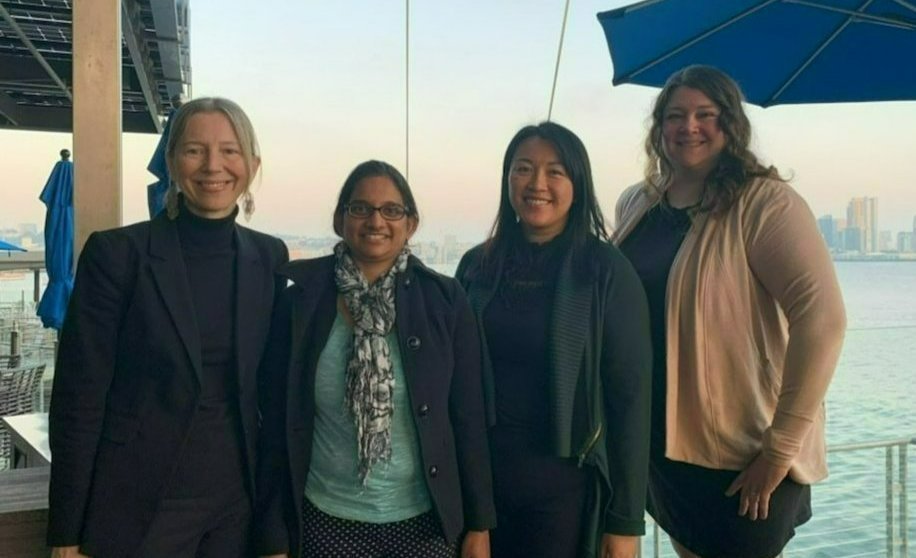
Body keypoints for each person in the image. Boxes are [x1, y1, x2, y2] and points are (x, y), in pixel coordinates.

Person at [613, 65, 846, 558]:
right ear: (659, 128)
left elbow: (822, 321)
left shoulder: (765, 203)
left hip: (743, 453)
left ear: (731, 123)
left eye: (705, 114)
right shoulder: (638, 202)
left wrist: (780, 449)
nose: (688, 126)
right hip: (661, 442)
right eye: (674, 115)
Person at [47, 97, 289, 557]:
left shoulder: (269, 257)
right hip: (138, 505)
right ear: (172, 162)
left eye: (230, 151)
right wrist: (66, 532)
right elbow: (79, 400)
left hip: (237, 506)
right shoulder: (118, 255)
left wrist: (274, 532)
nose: (213, 166)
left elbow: (275, 402)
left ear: (252, 164)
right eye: (195, 150)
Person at [254, 160, 495, 558]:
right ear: (339, 219)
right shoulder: (300, 302)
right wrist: (272, 537)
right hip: (326, 521)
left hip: (425, 523)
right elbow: (278, 425)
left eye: (391, 210)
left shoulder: (445, 301)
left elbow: (468, 419)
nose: (375, 221)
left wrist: (479, 525)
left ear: (411, 224)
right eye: (360, 208)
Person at [455, 122, 652, 558]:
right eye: (523, 169)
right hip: (482, 489)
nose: (537, 183)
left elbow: (631, 401)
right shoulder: (476, 268)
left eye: (555, 171)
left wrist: (625, 522)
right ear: (507, 179)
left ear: (578, 184)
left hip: (566, 491)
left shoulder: (605, 272)